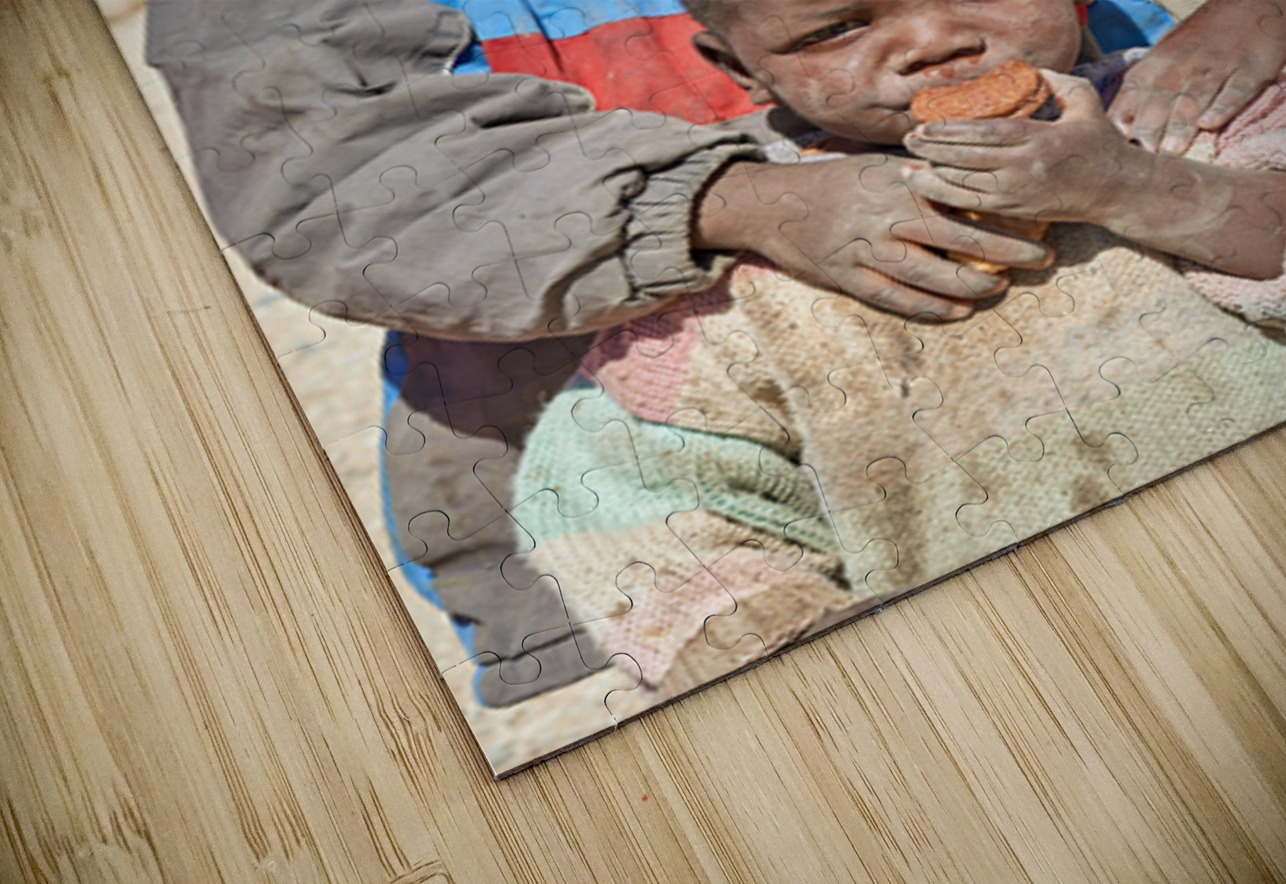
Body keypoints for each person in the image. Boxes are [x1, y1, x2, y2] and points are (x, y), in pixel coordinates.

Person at [145, 0, 1282, 703]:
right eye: (837, 24)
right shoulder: (693, 350)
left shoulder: (1202, 134)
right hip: (738, 560)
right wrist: (750, 206)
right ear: (738, 70)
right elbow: (326, 175)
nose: (933, 37)